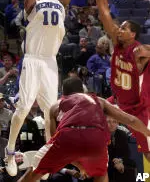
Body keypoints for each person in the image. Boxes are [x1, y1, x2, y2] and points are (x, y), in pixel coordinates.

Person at [5, 0, 75, 177]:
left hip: (49, 61)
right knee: (24, 106)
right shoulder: (32, 5)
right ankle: (10, 150)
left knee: (50, 111)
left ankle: (45, 156)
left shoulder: (59, 4)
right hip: (33, 59)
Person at [17, 76, 150, 182]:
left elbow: (56, 141)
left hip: (67, 137)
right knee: (102, 174)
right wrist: (147, 133)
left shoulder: (55, 106)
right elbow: (131, 120)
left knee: (33, 174)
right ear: (83, 91)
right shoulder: (98, 100)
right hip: (95, 139)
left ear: (63, 94)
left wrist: (79, 166)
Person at [93, 0, 150, 161]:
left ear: (133, 35)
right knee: (89, 113)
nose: (120, 30)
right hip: (117, 102)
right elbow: (103, 10)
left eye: (124, 28)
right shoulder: (117, 42)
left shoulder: (138, 51)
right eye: (121, 27)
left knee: (147, 151)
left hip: (138, 107)